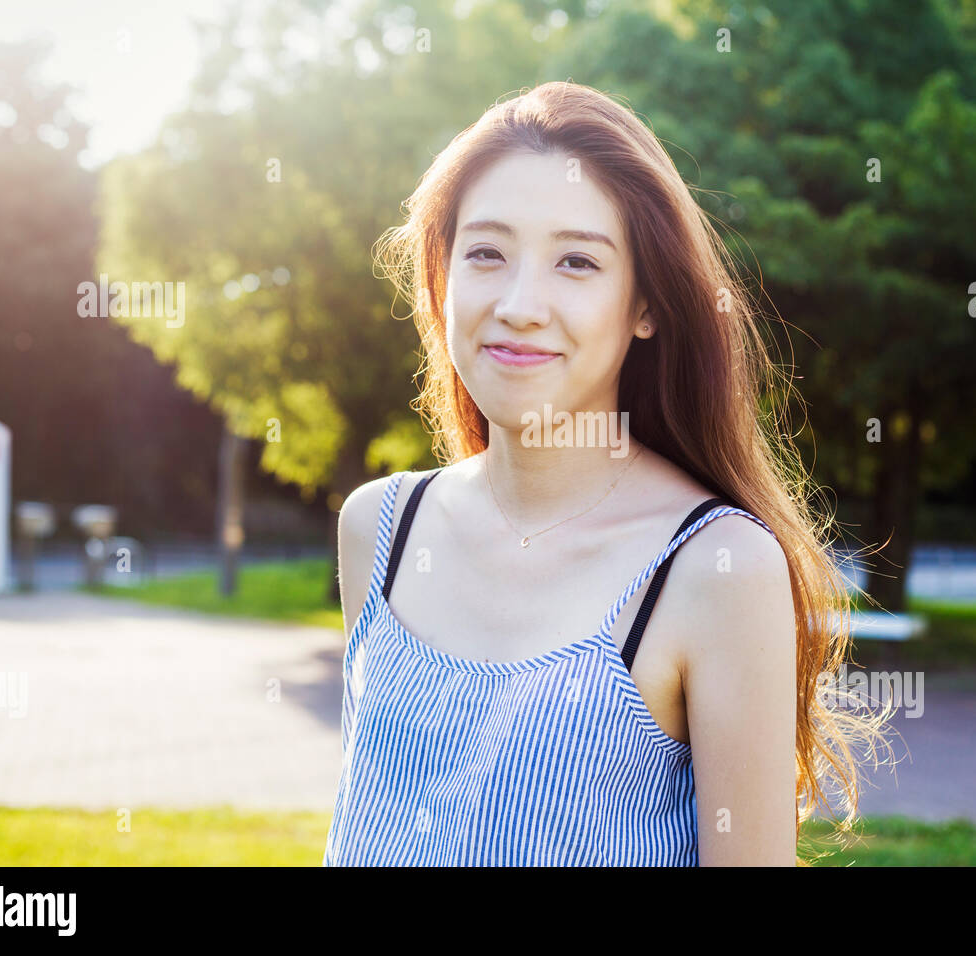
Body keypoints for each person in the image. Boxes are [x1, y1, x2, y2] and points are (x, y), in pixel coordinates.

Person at [324, 81, 885, 866]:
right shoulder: (380, 528)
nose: (520, 304)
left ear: (646, 306)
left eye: (577, 262)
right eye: (486, 252)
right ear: (441, 278)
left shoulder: (713, 566)